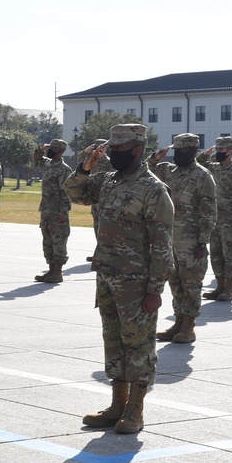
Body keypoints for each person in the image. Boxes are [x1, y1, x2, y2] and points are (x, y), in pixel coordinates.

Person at [65, 123, 175, 434]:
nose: (113, 154)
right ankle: (117, 404)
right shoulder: (108, 181)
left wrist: (156, 289)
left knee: (138, 345)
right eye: (110, 149)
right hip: (107, 275)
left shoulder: (154, 190)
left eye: (120, 150)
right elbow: (74, 192)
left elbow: (162, 244)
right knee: (113, 342)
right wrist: (84, 167)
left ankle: (136, 410)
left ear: (138, 150)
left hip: (137, 282)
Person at [148, 133, 216, 343]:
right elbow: (146, 170)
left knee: (192, 285)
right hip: (170, 239)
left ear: (194, 150)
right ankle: (178, 322)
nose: (178, 155)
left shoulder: (203, 176)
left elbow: (208, 212)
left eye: (183, 151)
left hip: (191, 241)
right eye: (176, 151)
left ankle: (189, 326)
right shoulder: (170, 171)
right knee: (175, 283)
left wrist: (202, 242)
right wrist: (156, 156)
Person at [199, 136, 232, 301]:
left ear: (230, 151)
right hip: (215, 219)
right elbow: (197, 165)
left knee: (230, 256)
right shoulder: (214, 168)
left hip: (231, 220)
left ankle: (229, 289)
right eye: (217, 150)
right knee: (216, 255)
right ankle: (220, 287)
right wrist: (204, 154)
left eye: (221, 150)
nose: (218, 153)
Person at [32, 138, 72, 283]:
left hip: (58, 211)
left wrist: (63, 212)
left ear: (61, 152)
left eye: (54, 148)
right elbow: (37, 161)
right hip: (46, 209)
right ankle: (50, 270)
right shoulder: (49, 164)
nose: (51, 150)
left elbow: (66, 193)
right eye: (51, 147)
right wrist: (40, 150)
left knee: (58, 241)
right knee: (47, 240)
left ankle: (57, 272)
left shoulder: (64, 169)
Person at [79, 138, 110, 261]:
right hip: (94, 200)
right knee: (96, 227)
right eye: (97, 147)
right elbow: (80, 163)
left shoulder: (109, 163)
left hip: (104, 200)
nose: (100, 150)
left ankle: (105, 253)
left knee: (104, 228)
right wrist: (85, 152)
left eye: (102, 148)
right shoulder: (91, 160)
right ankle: (99, 252)